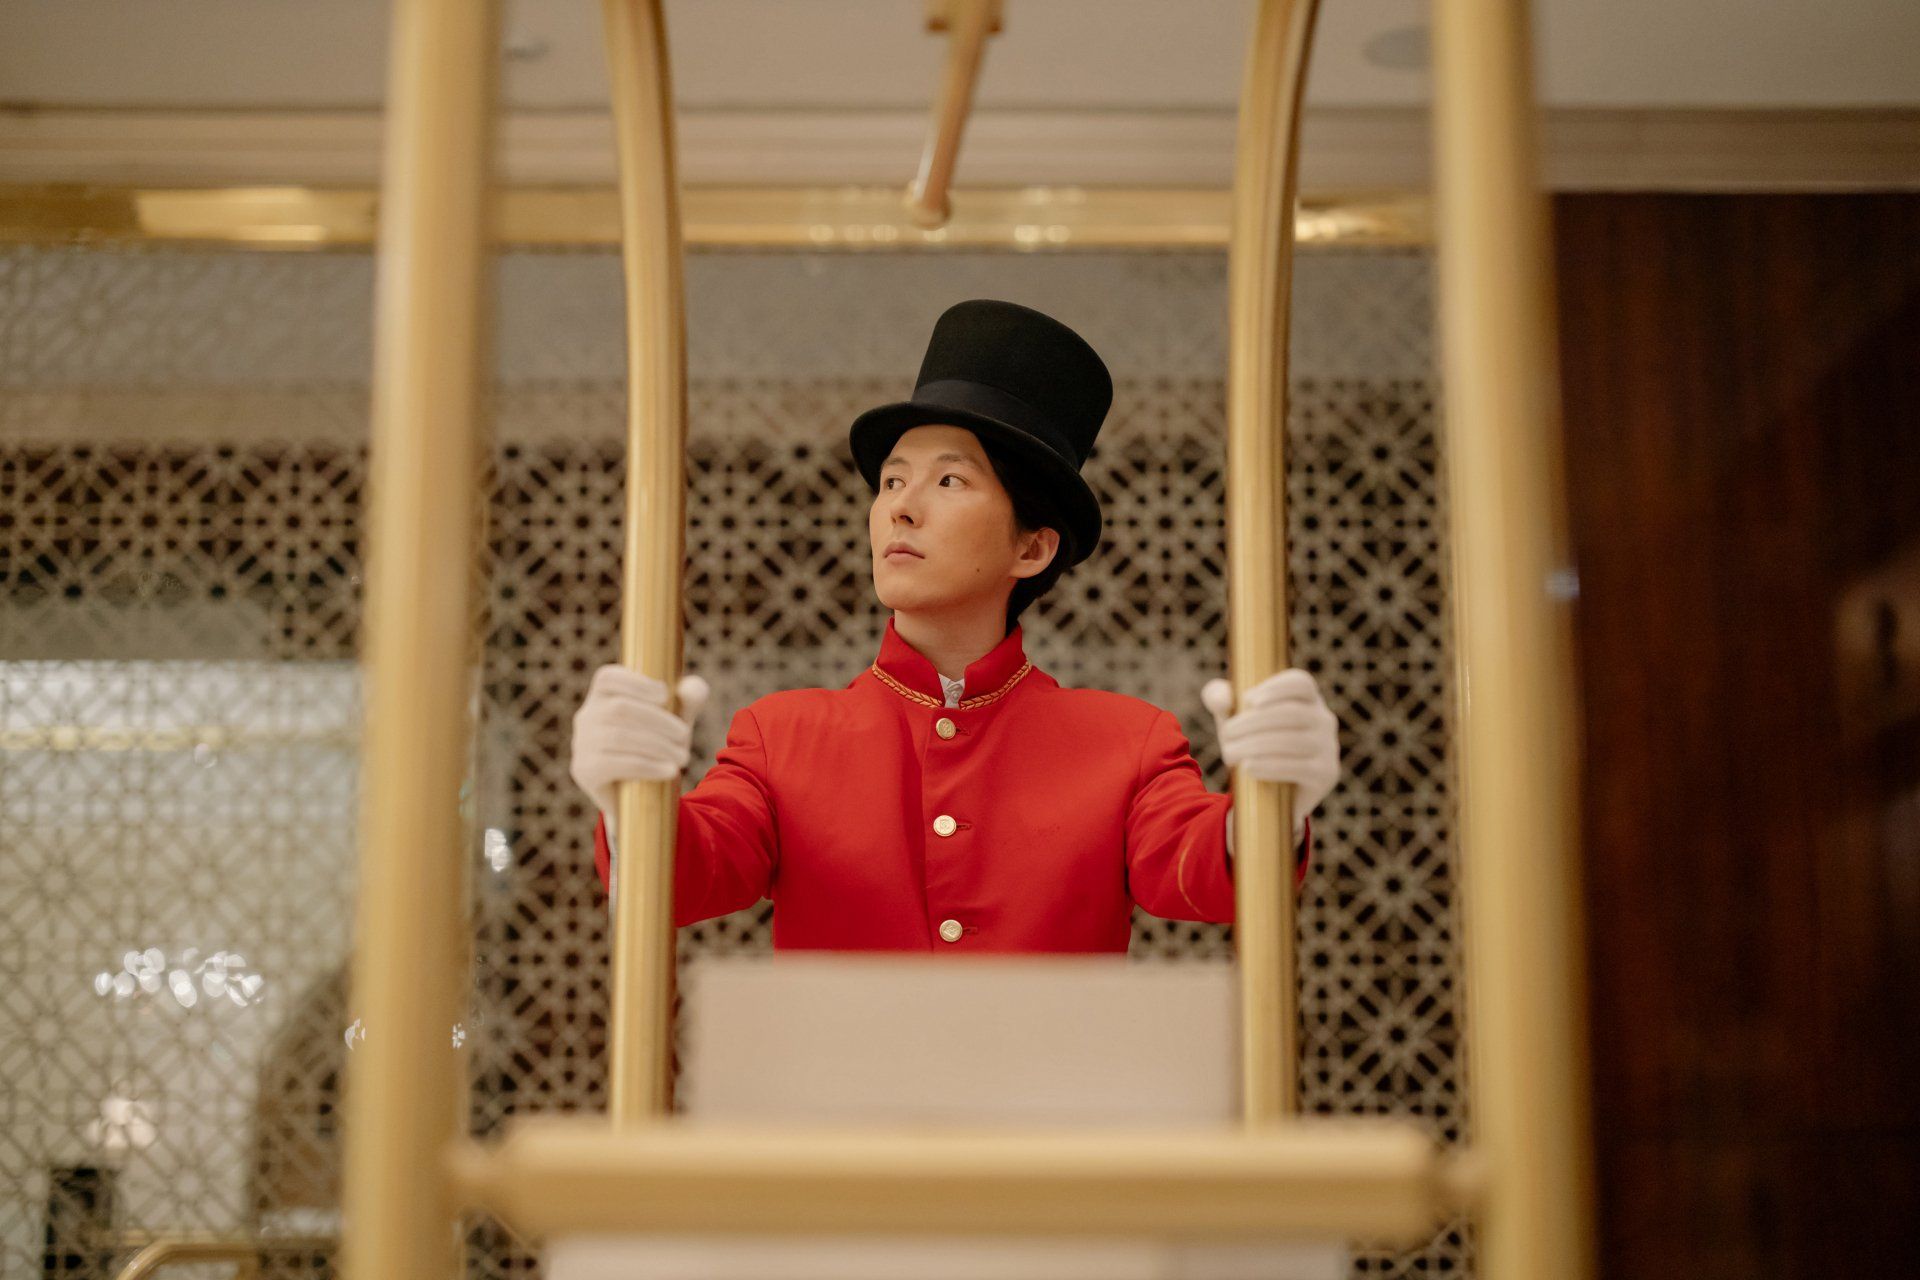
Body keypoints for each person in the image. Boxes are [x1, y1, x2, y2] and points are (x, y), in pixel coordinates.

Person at [570, 298, 1339, 952]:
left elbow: (1204, 871)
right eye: (893, 480)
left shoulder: (1128, 745)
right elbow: (687, 875)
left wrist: (1274, 801)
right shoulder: (781, 737)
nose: (900, 506)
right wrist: (629, 795)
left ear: (1032, 547)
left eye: (947, 479)